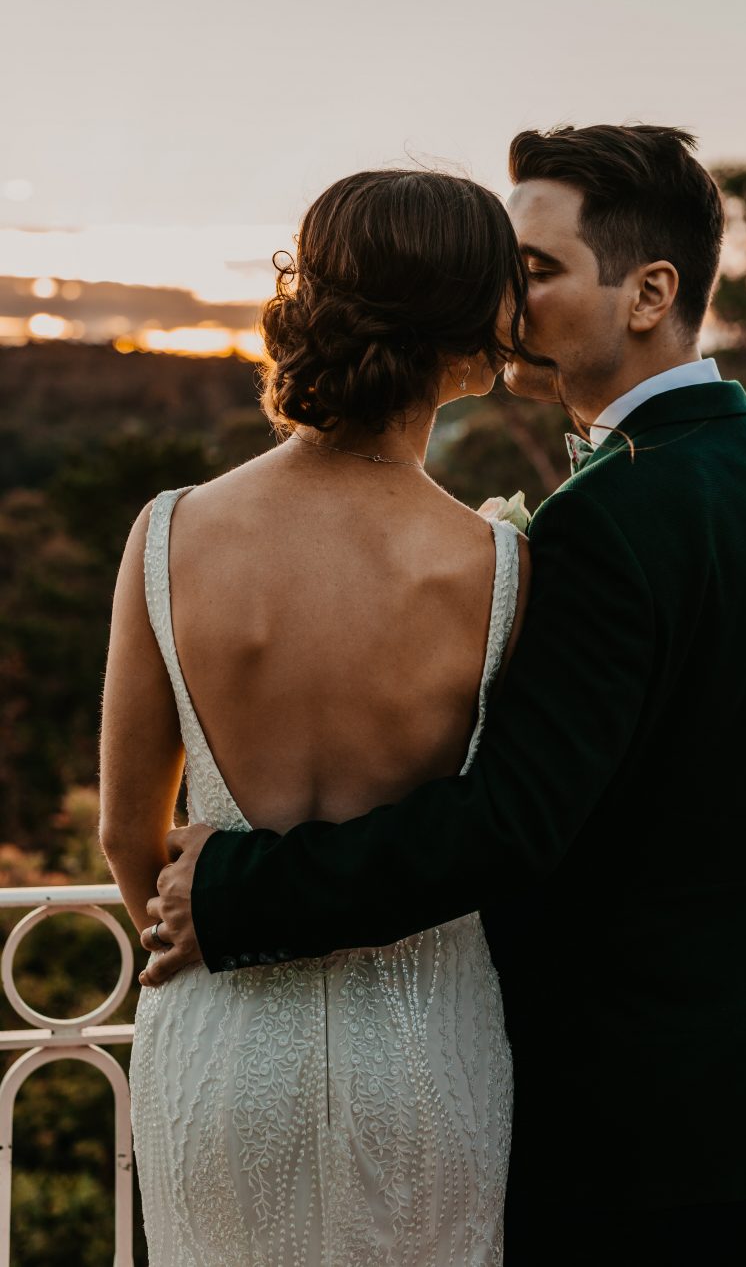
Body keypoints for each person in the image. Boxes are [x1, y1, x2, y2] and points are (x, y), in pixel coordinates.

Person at [145, 124, 746, 1266]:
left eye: (536, 270)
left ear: (650, 293)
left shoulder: (603, 522)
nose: (506, 301)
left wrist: (236, 891)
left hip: (621, 1131)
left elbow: (511, 822)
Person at [99, 168, 534, 1266]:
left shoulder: (171, 532)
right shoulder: (499, 565)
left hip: (220, 1046)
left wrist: (189, 950)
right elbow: (497, 825)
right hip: (427, 1055)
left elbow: (123, 832)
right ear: (469, 323)